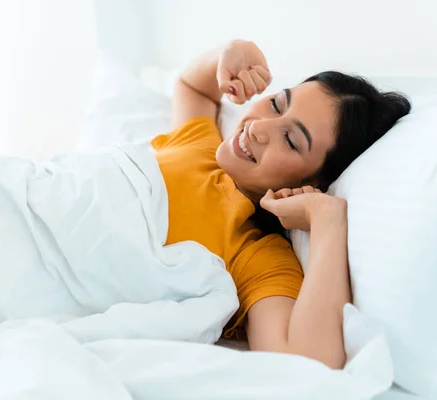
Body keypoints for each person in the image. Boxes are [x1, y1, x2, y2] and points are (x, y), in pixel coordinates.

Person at [151, 40, 410, 369]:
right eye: (276, 104)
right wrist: (229, 54)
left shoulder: (256, 255)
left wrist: (327, 218)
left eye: (290, 140)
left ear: (315, 184)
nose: (258, 127)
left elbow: (306, 365)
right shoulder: (198, 143)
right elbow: (193, 87)